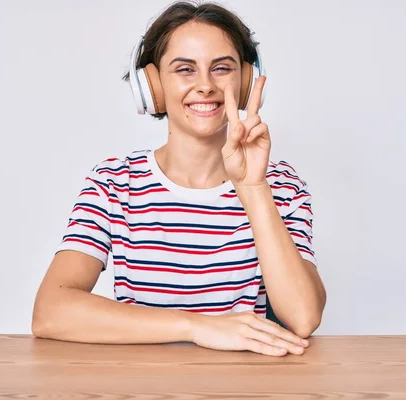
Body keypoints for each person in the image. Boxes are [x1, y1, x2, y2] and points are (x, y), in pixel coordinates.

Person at [32, 1, 326, 357]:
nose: (205, 85)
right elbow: (50, 311)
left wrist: (252, 187)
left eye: (221, 68)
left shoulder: (279, 184)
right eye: (185, 69)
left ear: (246, 80)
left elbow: (303, 318)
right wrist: (196, 326)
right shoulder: (113, 183)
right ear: (152, 85)